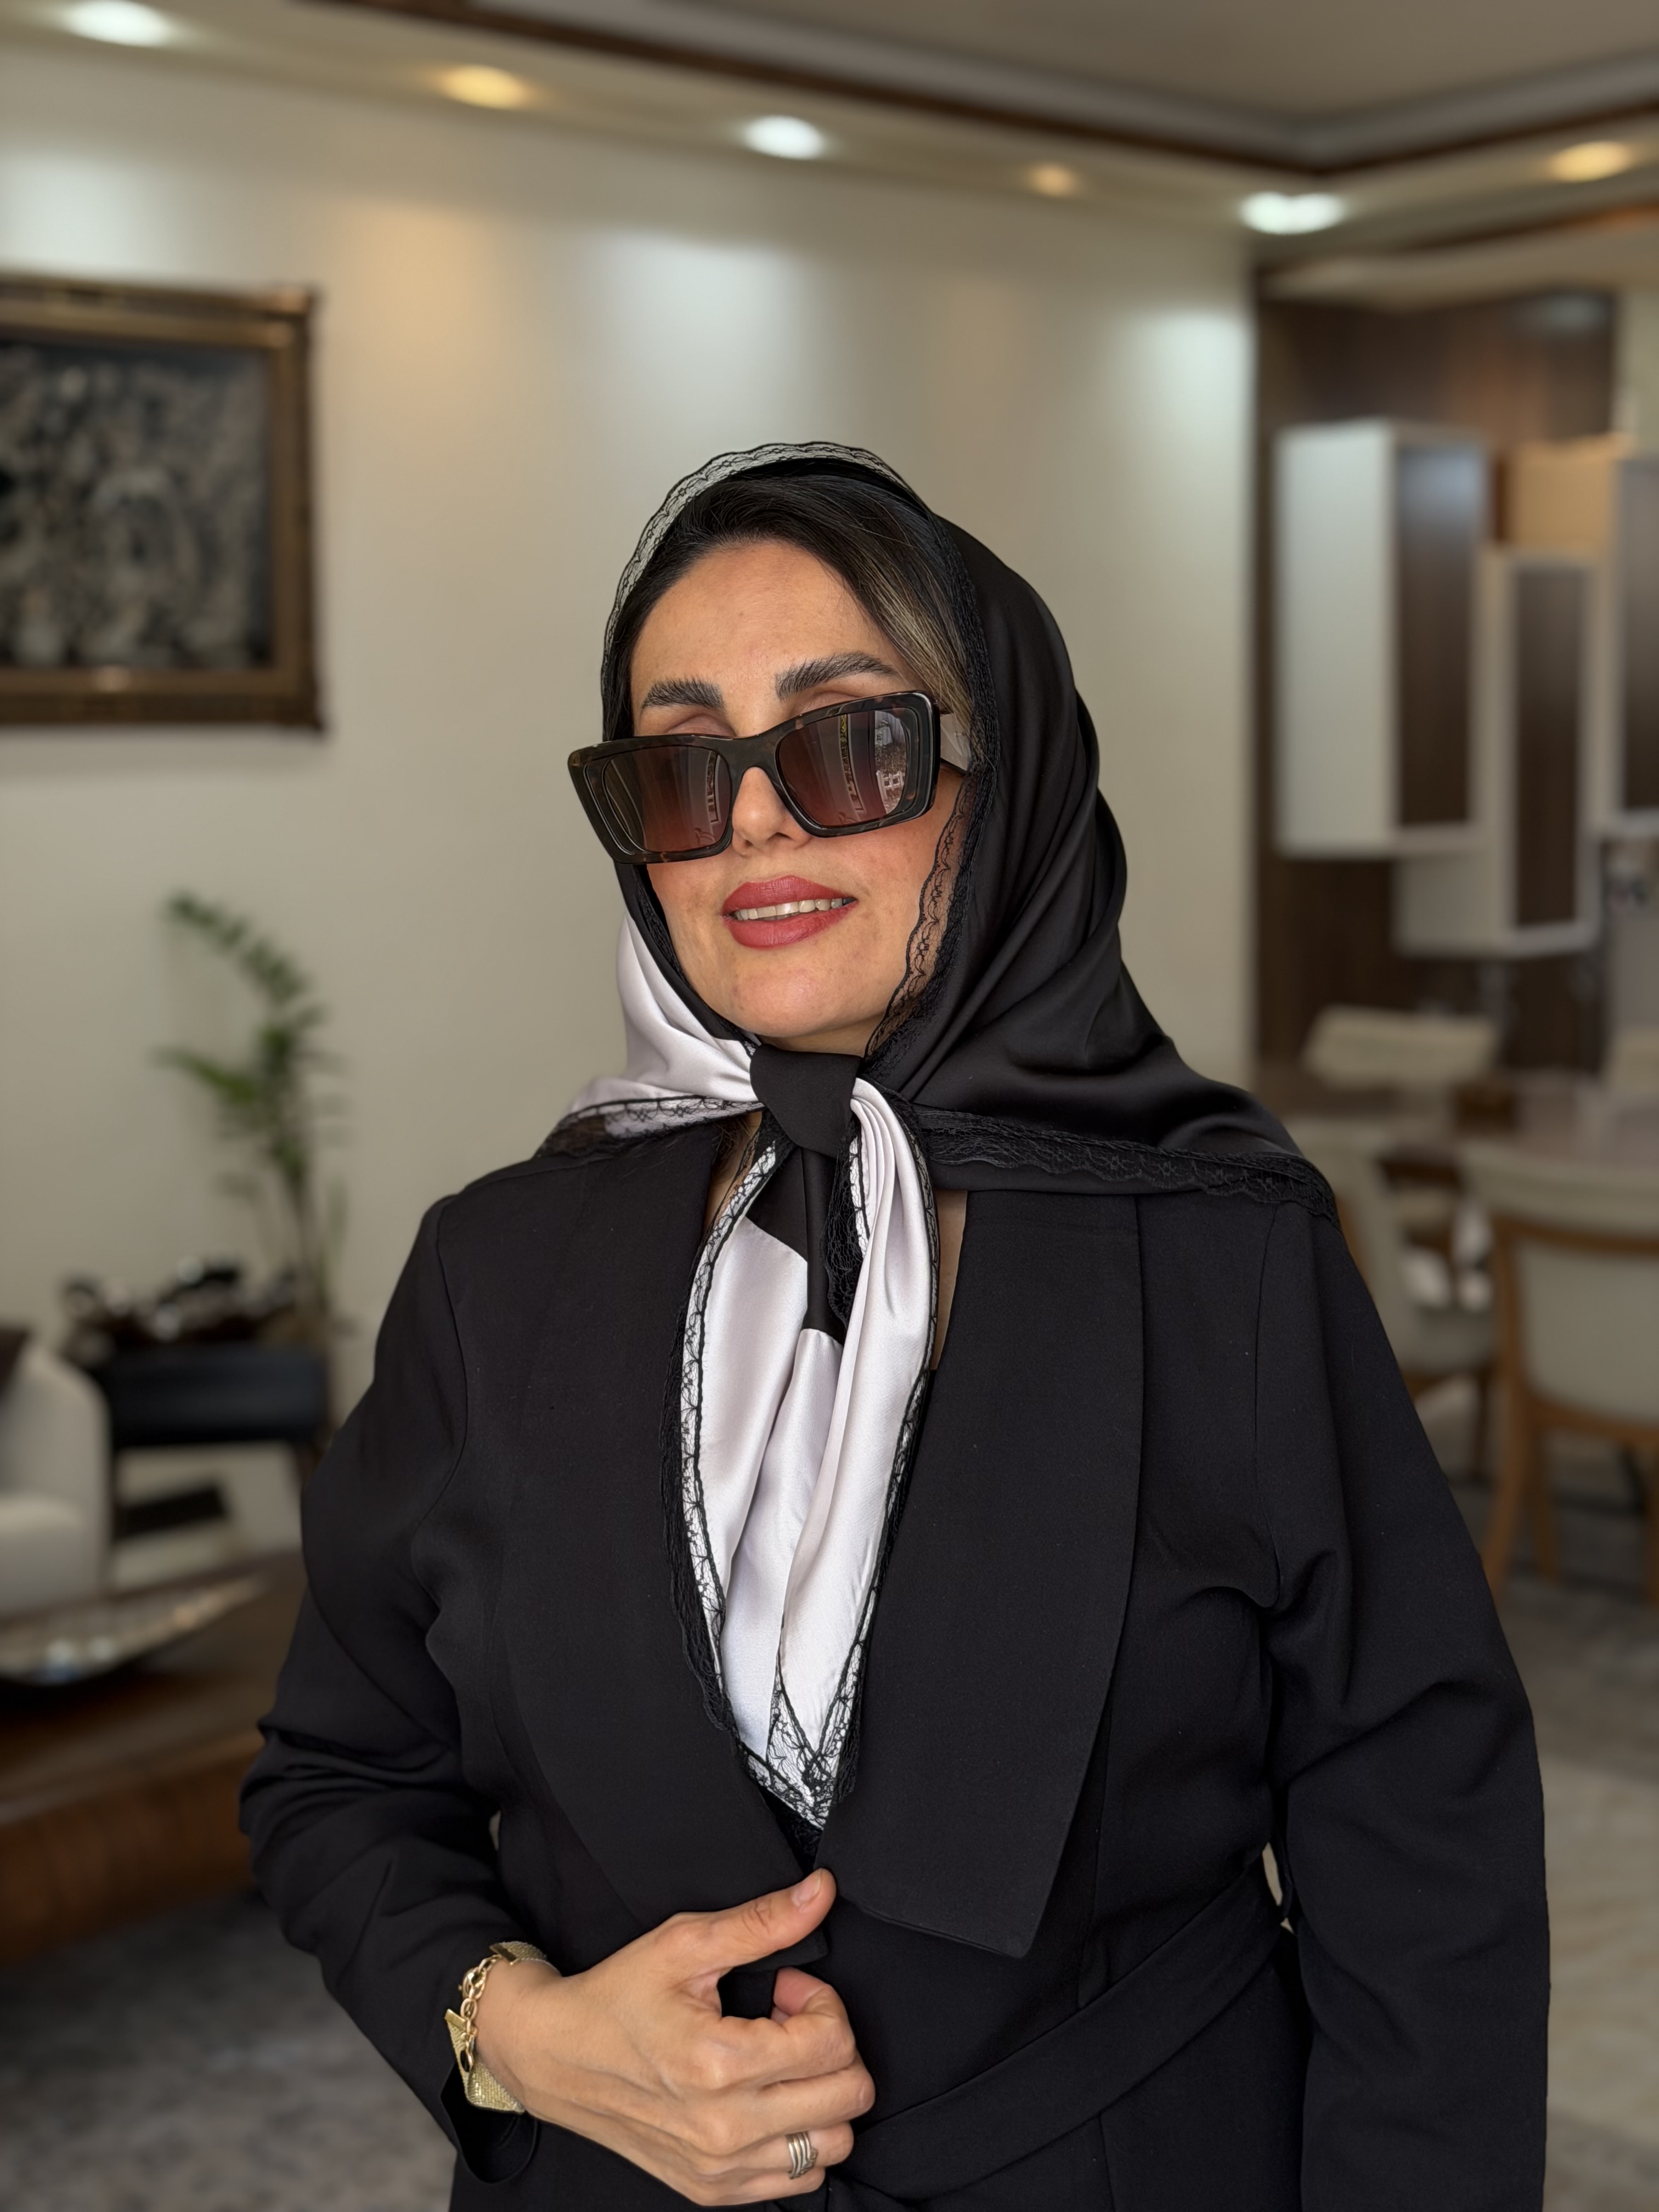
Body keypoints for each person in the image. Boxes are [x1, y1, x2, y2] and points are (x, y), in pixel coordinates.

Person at [242, 443, 1548, 2212]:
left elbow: (1424, 1861)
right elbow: (336, 1778)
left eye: (847, 744)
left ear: (1003, 786)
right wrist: (519, 2036)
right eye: (684, 765)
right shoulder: (495, 1274)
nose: (755, 823)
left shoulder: (1226, 1260)